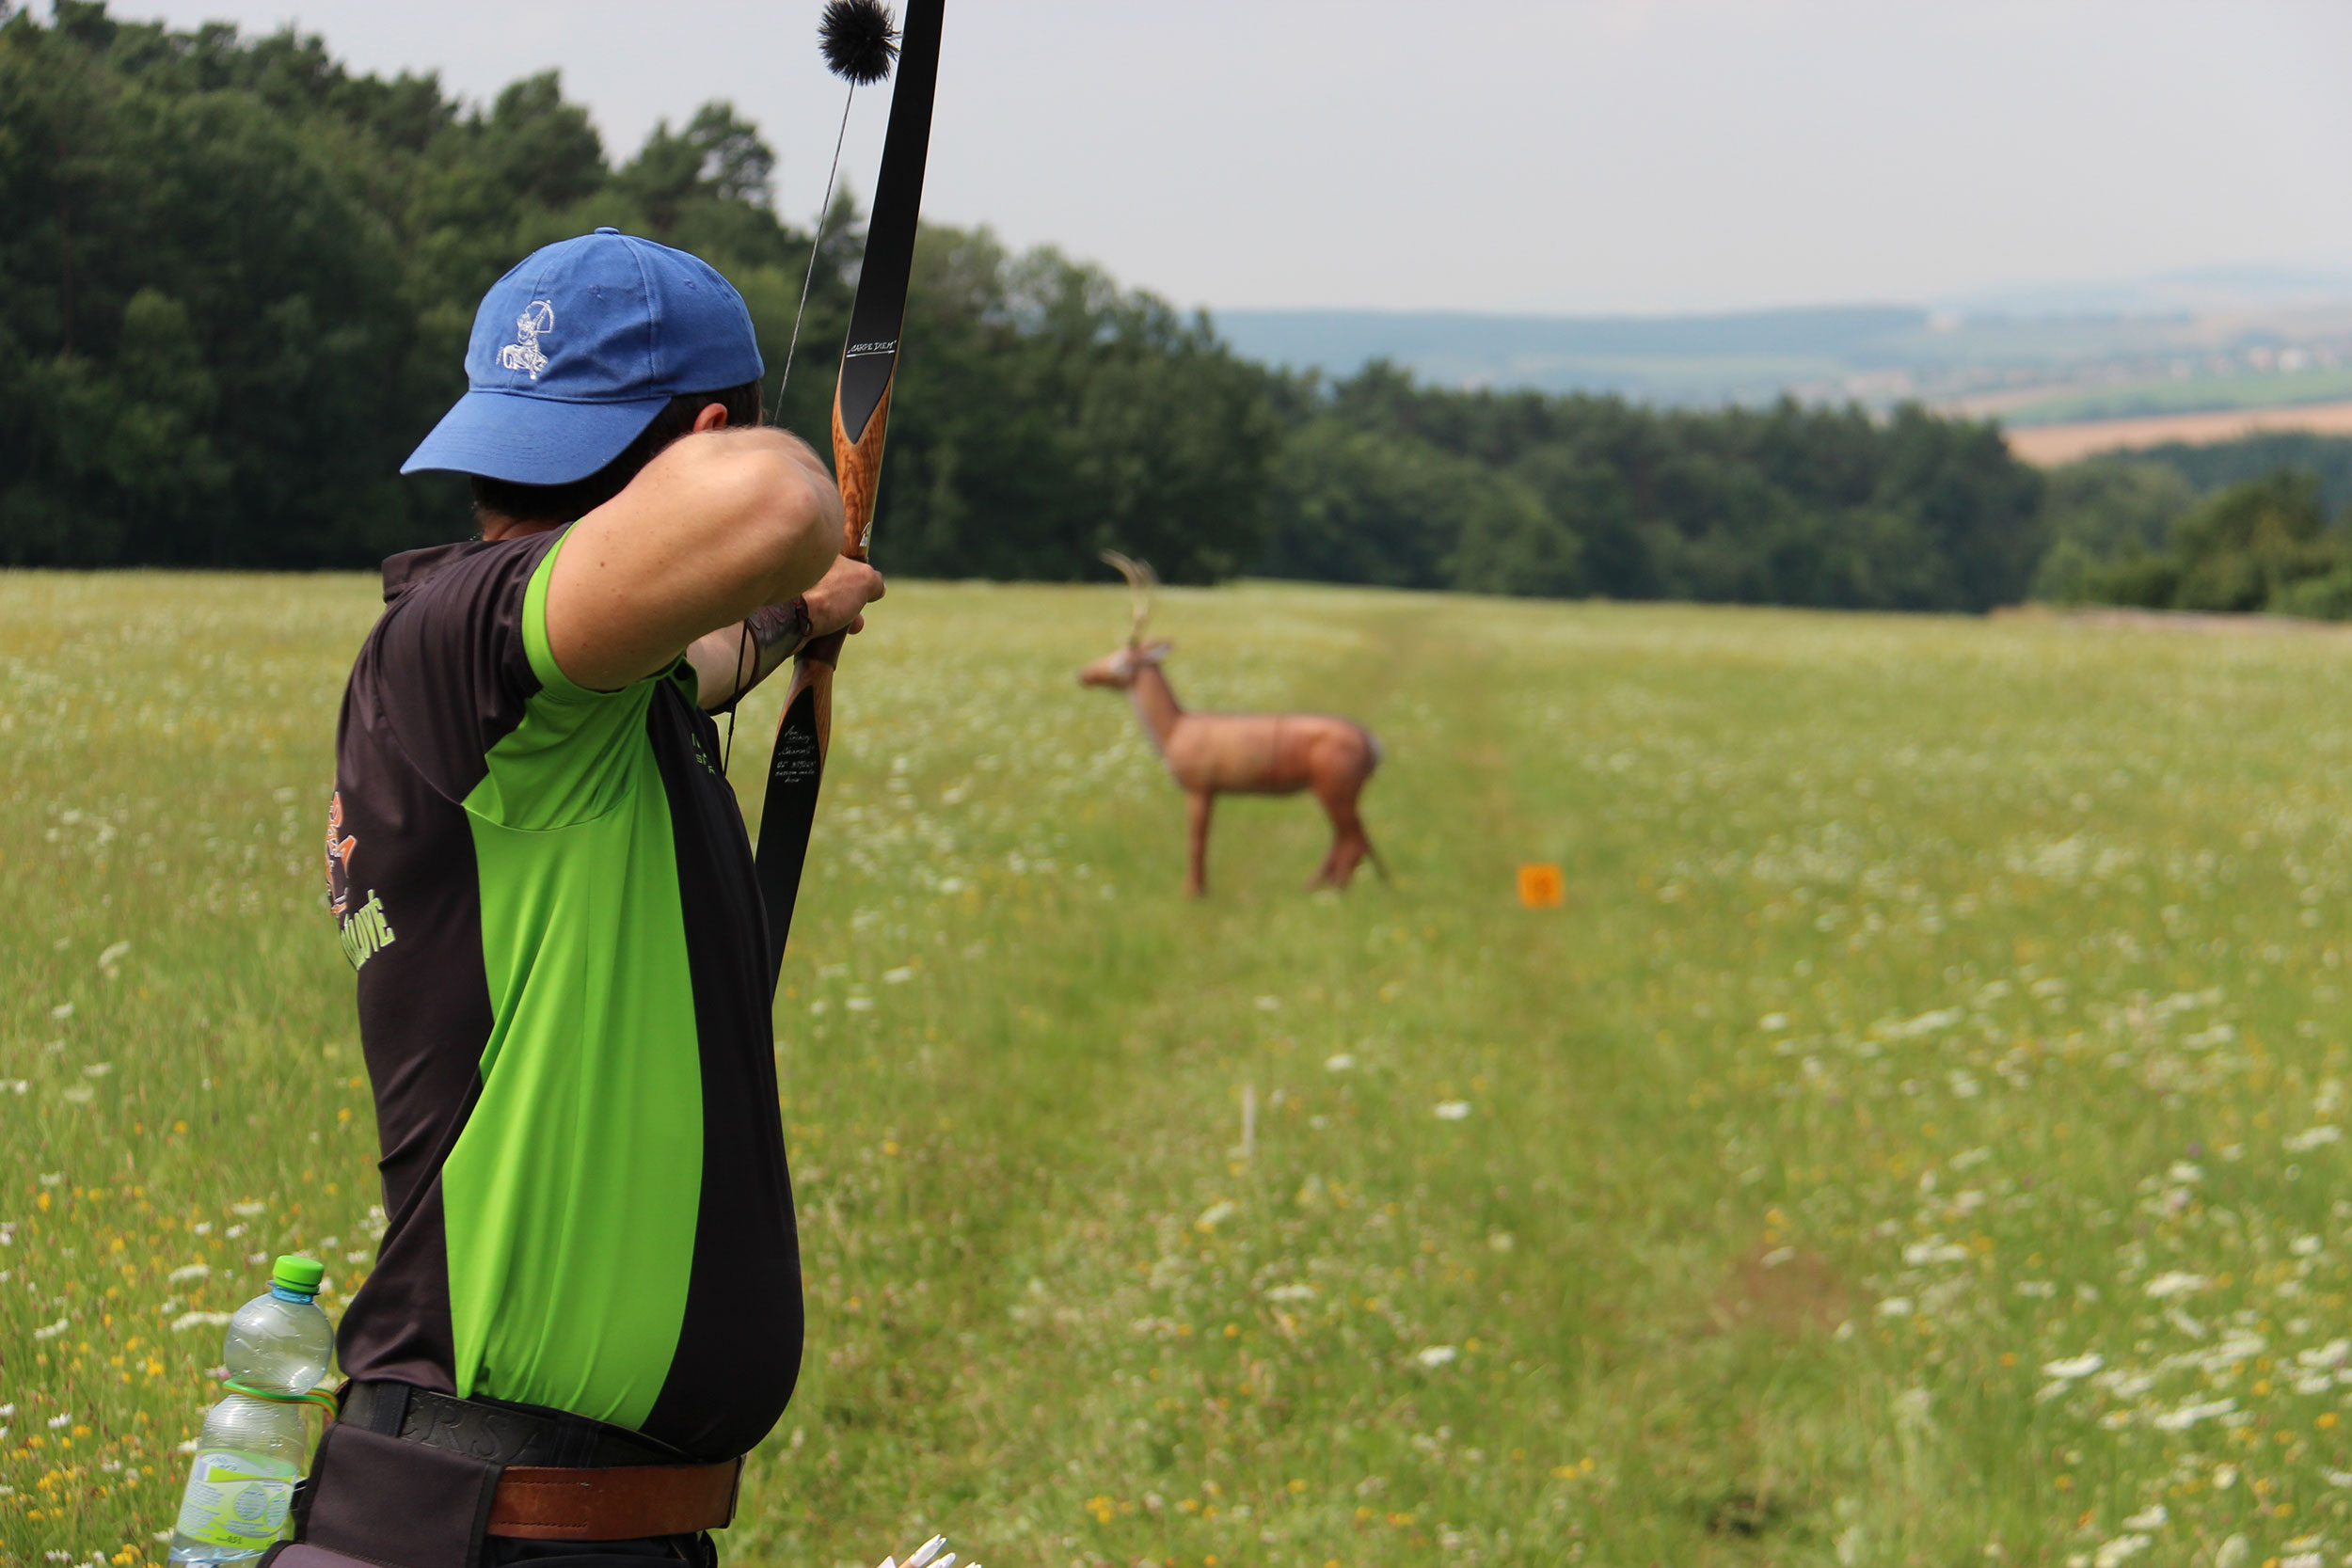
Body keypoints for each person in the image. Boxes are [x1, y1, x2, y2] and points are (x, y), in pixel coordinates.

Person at [300, 228, 881, 1568]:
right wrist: (798, 517)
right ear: (710, 432)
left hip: (537, 1523)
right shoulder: (467, 643)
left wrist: (797, 622)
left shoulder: (565, 696)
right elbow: (777, 513)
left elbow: (698, 656)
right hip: (488, 1529)